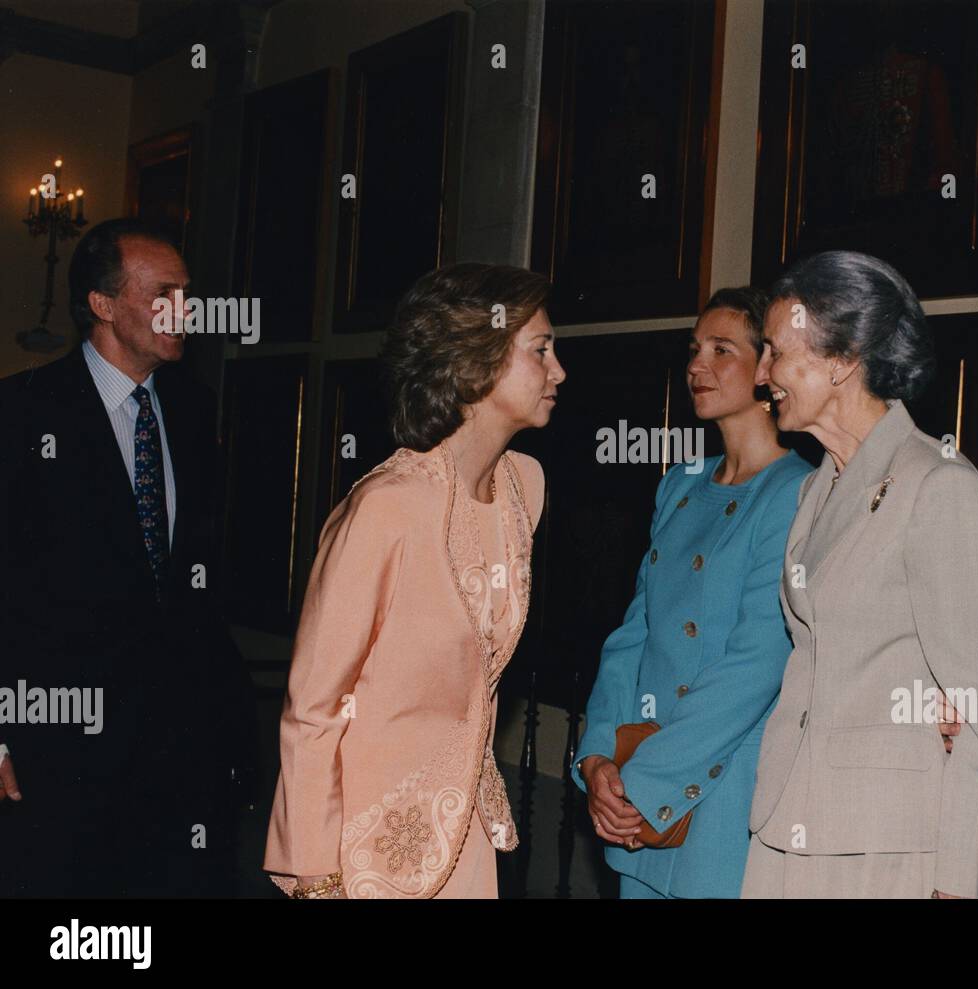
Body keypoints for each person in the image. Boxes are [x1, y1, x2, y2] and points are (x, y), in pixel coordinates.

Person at [263, 263, 561, 898]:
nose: (558, 371)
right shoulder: (387, 506)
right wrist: (313, 865)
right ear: (475, 361)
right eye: (541, 350)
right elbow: (314, 704)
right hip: (364, 841)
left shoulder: (524, 488)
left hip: (466, 831)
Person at [0, 218, 258, 897]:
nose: (188, 309)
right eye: (165, 292)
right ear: (103, 304)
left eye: (189, 291)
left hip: (181, 754)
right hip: (60, 750)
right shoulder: (21, 414)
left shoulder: (196, 411)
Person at [743, 250, 978, 899]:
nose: (760, 374)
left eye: (776, 352)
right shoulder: (814, 492)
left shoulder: (940, 488)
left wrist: (957, 880)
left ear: (842, 359)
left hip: (884, 848)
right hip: (792, 819)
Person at [572, 288, 811, 898]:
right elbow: (634, 635)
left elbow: (757, 664)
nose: (696, 366)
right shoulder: (679, 484)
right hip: (637, 796)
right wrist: (598, 757)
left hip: (720, 798)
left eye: (721, 350)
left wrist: (644, 787)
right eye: (694, 349)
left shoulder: (797, 493)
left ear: (766, 369)